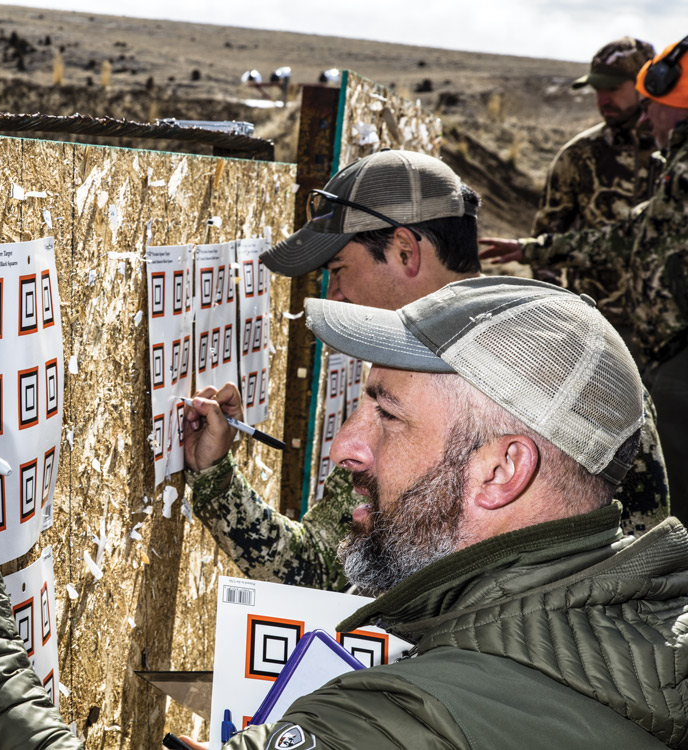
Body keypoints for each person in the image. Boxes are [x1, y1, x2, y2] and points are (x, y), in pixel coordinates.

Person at [0, 278, 688, 748]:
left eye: (385, 413)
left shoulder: (431, 721)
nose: (343, 448)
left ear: (503, 471)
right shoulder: (633, 623)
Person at [187, 150, 668, 594]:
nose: (335, 294)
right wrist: (214, 473)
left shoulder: (563, 367)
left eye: (339, 268)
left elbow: (635, 565)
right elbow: (329, 563)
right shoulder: (554, 353)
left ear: (404, 250)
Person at [480, 37, 688, 520]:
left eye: (622, 90)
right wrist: (536, 255)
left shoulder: (676, 165)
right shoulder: (594, 158)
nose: (640, 117)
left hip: (669, 350)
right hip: (609, 344)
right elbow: (627, 232)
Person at [529, 37, 656, 329]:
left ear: (646, 84)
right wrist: (558, 317)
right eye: (598, 89)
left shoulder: (678, 153)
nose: (602, 100)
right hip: (597, 329)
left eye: (613, 88)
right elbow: (545, 241)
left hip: (673, 339)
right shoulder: (579, 155)